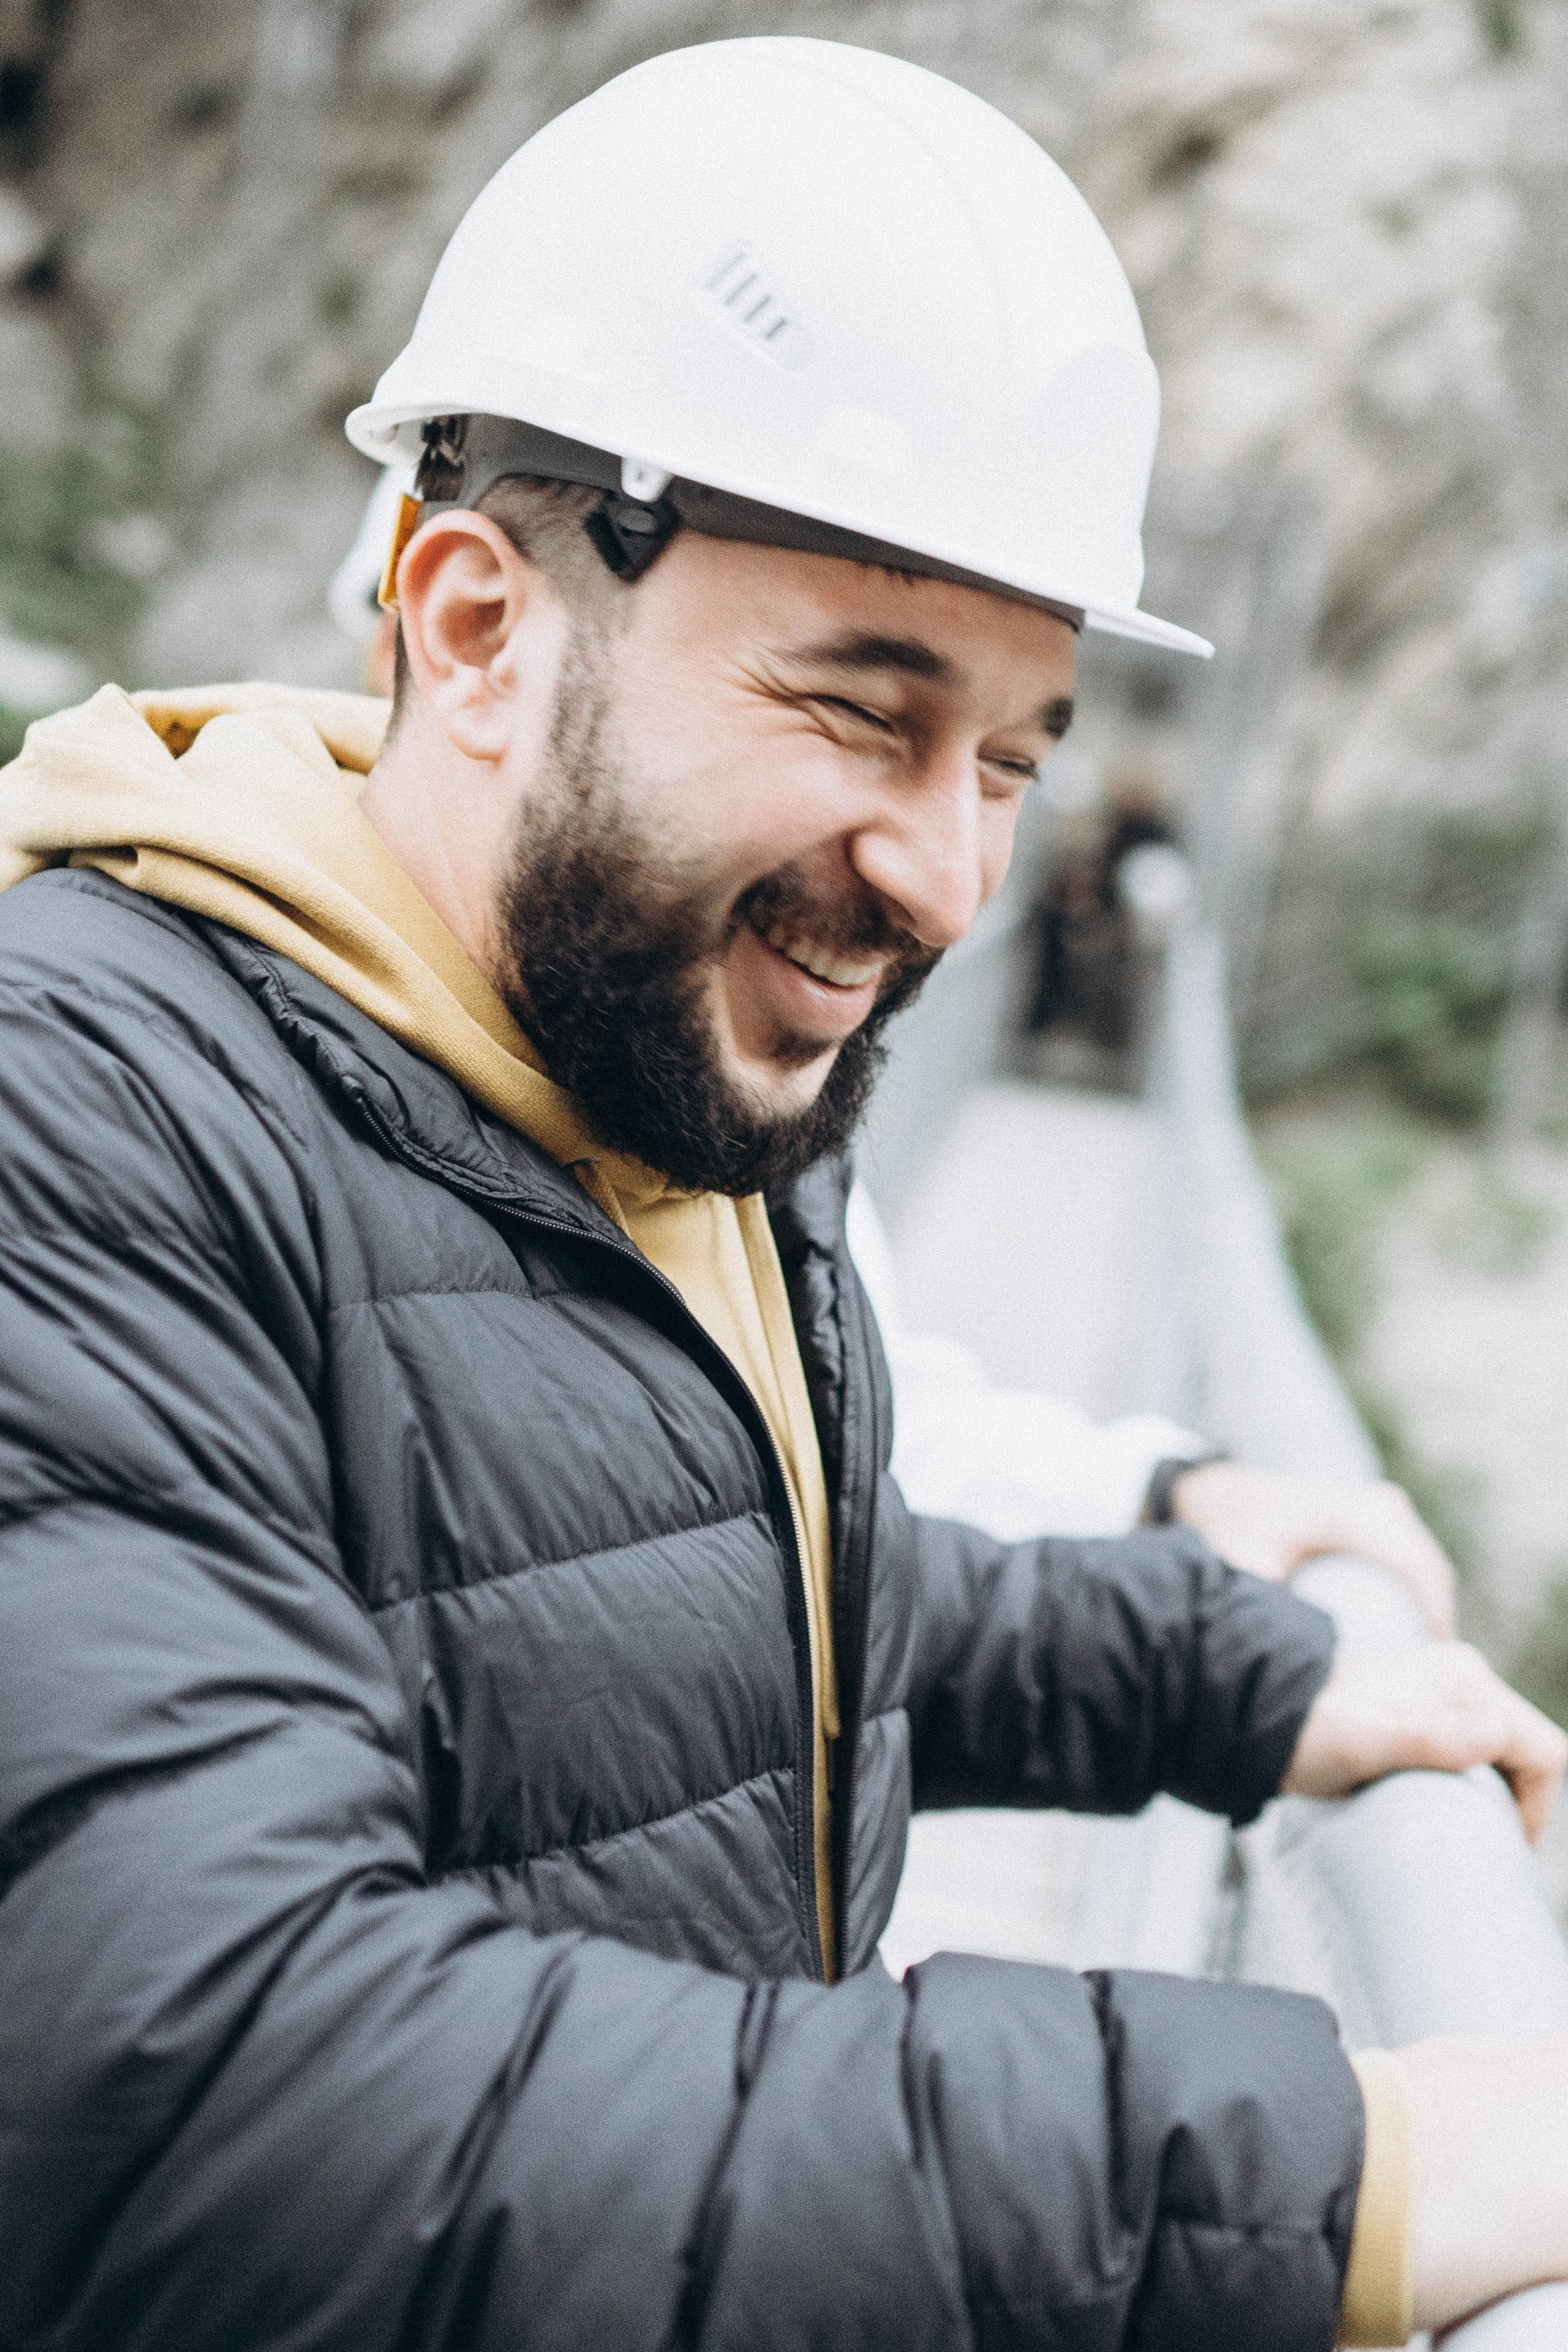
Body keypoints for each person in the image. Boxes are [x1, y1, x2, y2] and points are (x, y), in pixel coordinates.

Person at [1, 38, 1565, 2352]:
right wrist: (1346, 2166)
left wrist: (1241, 1676)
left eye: (1012, 759)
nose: (943, 875)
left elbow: (695, 1598)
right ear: (475, 627)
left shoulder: (641, 1033)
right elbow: (218, 2093)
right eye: (861, 710)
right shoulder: (83, 1131)